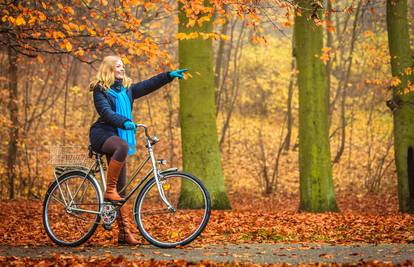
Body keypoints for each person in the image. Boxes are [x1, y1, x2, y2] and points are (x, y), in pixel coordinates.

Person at [89, 55, 187, 245]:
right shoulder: (100, 90)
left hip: (118, 134)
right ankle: (109, 191)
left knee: (122, 190)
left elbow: (148, 84)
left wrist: (168, 76)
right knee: (121, 147)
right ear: (109, 68)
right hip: (103, 133)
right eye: (118, 66)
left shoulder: (128, 89)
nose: (122, 68)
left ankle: (124, 233)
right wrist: (124, 121)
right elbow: (106, 113)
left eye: (123, 66)